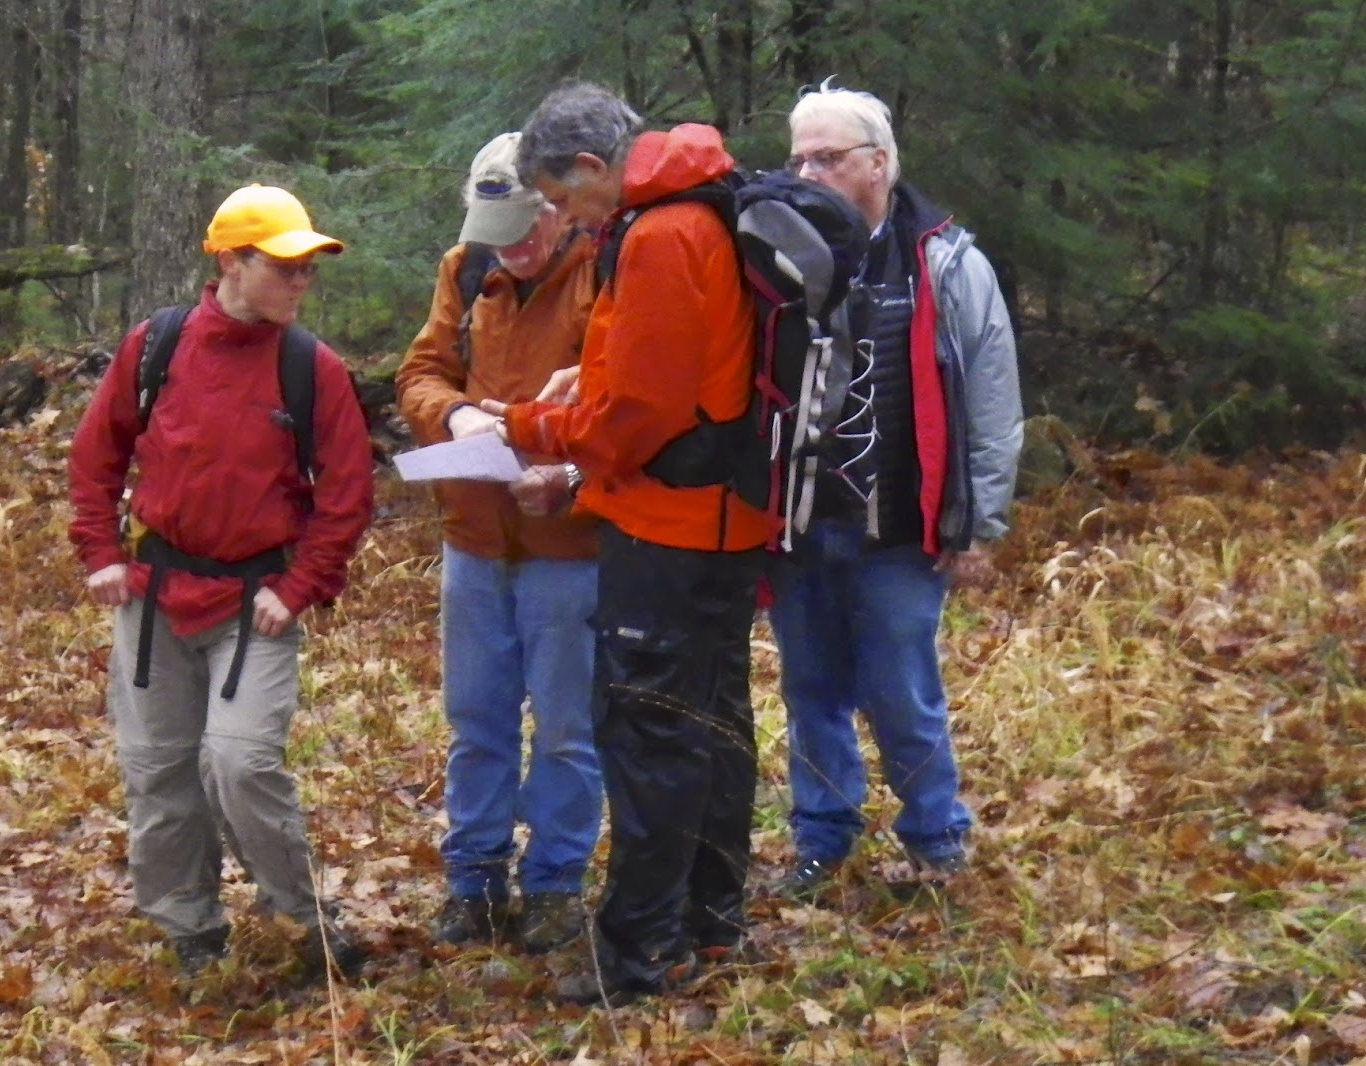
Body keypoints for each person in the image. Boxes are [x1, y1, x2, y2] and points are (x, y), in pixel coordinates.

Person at [481, 82, 768, 1006]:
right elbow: (659, 371)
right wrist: (582, 387)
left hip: (670, 526)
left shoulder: (659, 234)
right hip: (724, 518)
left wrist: (534, 427)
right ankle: (712, 920)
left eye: (565, 200)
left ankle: (642, 950)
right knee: (715, 723)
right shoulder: (697, 208)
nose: (567, 219)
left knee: (649, 734)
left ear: (595, 169)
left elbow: (637, 413)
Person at [67, 183, 376, 980]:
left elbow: (347, 495)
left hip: (255, 607)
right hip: (154, 596)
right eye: (286, 267)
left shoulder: (314, 367)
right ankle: (190, 932)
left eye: (309, 269)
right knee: (157, 767)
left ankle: (301, 920)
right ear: (233, 264)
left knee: (240, 762)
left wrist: (301, 585)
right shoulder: (157, 345)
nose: (302, 282)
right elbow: (96, 455)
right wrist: (101, 552)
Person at [769, 82, 1023, 894]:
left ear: (878, 165)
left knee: (901, 691)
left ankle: (934, 834)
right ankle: (823, 836)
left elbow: (990, 396)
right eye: (799, 157)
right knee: (810, 692)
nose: (809, 173)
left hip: (905, 530)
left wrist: (978, 524)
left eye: (828, 157)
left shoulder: (947, 263)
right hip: (803, 525)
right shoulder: (777, 259)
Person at [394, 132, 602, 953]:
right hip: (474, 538)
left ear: (556, 207)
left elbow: (631, 407)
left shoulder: (602, 270)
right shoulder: (466, 268)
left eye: (523, 229)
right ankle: (472, 883)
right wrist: (457, 417)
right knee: (476, 722)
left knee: (565, 728)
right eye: (496, 233)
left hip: (568, 545)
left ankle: (554, 884)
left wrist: (569, 473)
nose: (510, 249)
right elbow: (419, 373)